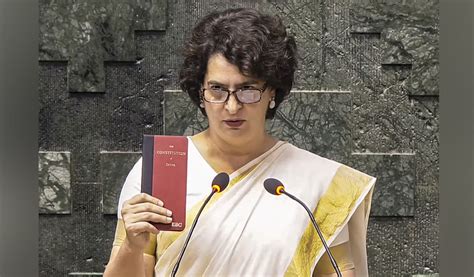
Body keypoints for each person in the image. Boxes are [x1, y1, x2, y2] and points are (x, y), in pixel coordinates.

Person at [104, 7, 376, 277]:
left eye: (247, 89)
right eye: (218, 89)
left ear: (272, 92)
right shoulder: (162, 168)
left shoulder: (319, 183)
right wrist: (131, 244)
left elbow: (337, 272)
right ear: (200, 93)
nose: (232, 107)